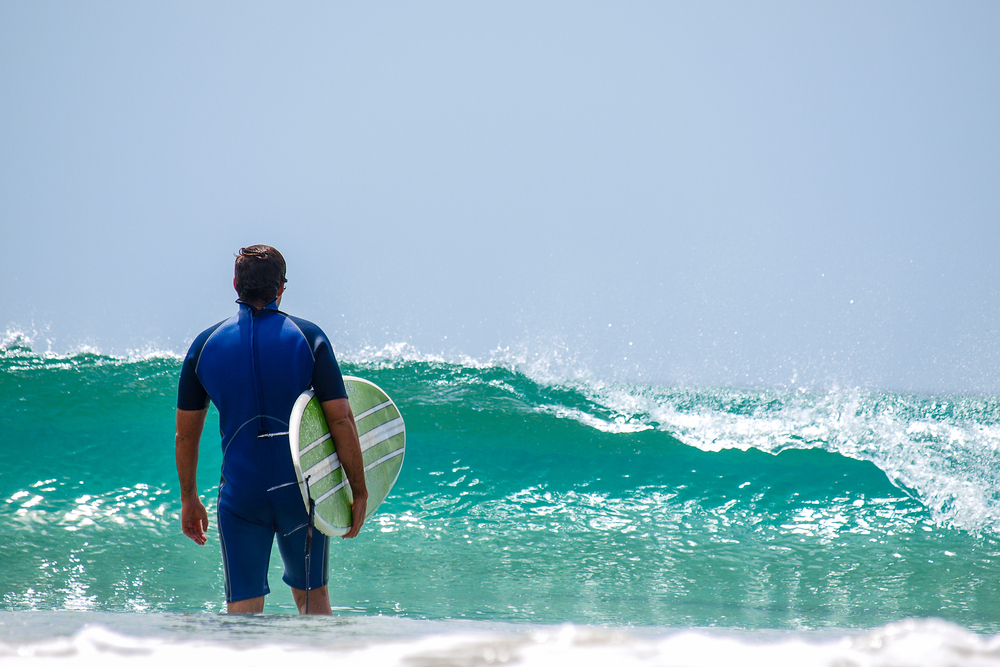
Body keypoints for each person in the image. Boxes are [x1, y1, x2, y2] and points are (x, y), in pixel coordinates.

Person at [174, 245, 367, 615]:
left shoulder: (204, 346)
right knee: (314, 603)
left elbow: (186, 435)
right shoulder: (309, 338)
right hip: (302, 495)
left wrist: (189, 498)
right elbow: (341, 420)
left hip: (240, 497)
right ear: (281, 287)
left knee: (242, 612)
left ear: (235, 284)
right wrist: (358, 491)